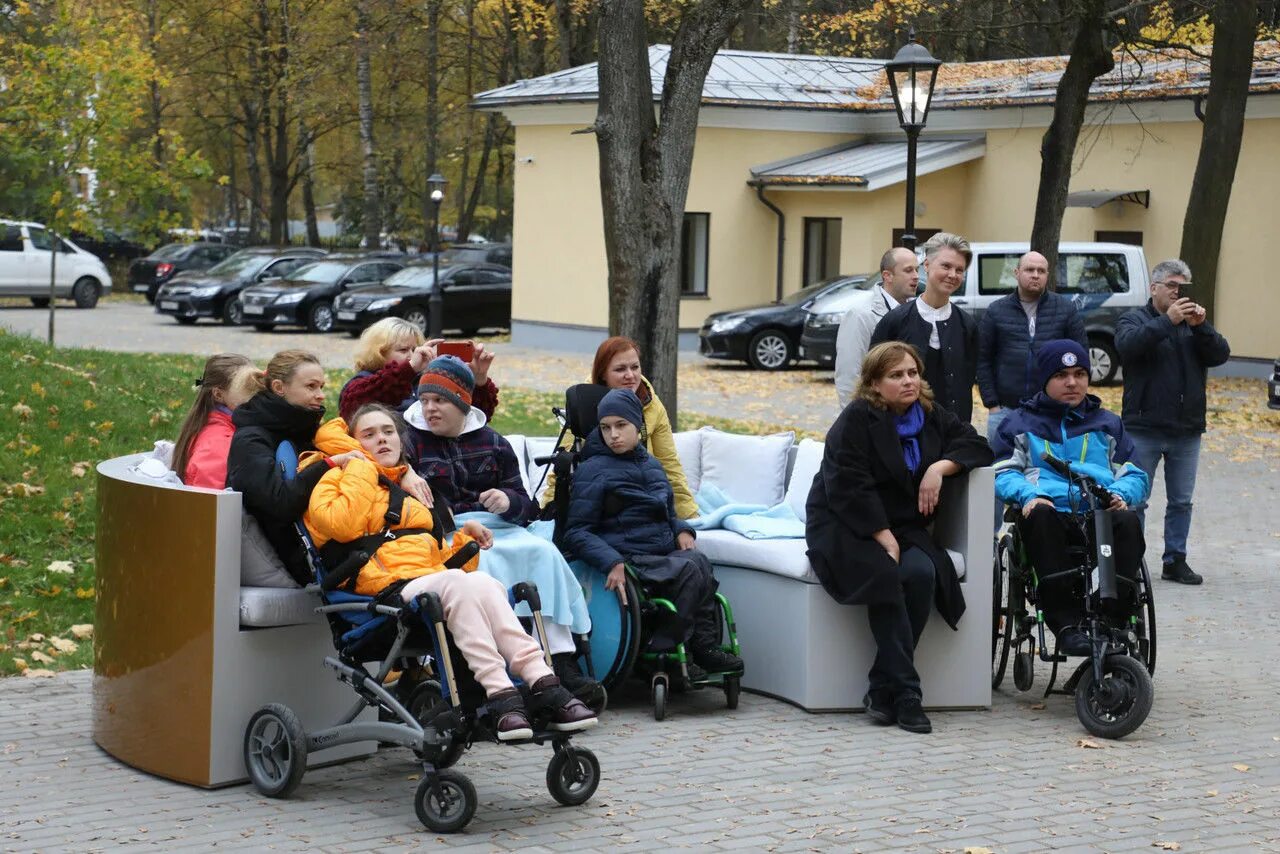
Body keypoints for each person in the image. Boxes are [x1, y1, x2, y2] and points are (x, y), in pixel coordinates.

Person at [304, 404, 596, 740]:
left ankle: (542, 680)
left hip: (425, 583)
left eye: (388, 432)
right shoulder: (332, 480)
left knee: (483, 580)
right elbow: (341, 525)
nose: (382, 439)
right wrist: (359, 466)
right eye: (368, 435)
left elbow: (436, 560)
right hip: (377, 591)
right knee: (459, 582)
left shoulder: (410, 493)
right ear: (352, 443)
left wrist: (463, 541)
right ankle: (501, 694)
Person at [805, 341, 993, 734]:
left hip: (902, 525)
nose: (908, 381)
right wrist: (882, 534)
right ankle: (908, 693)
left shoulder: (929, 414)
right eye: (896, 375)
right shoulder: (857, 418)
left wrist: (939, 468)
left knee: (923, 573)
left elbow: (977, 444)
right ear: (874, 383)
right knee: (886, 576)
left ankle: (880, 685)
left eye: (912, 372)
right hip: (846, 523)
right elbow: (846, 483)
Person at [403, 356, 602, 707]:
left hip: (502, 527)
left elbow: (527, 507)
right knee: (481, 563)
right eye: (425, 400)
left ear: (463, 401)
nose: (429, 409)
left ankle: (560, 659)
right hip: (447, 531)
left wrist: (508, 501)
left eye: (440, 400)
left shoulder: (493, 442)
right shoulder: (411, 444)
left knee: (544, 554)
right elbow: (407, 505)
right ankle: (501, 671)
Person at [562, 388, 744, 679]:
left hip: (657, 553)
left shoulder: (650, 463)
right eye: (606, 428)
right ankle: (668, 649)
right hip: (628, 557)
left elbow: (667, 512)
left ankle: (704, 646)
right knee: (688, 570)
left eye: (621, 426)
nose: (614, 435)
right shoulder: (593, 470)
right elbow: (576, 532)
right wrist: (611, 561)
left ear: (638, 426)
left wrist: (682, 530)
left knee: (698, 561)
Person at [993, 340, 1151, 653]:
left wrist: (1119, 493)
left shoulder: (1107, 424)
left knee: (1127, 520)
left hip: (1097, 511)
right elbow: (1002, 472)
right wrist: (1028, 495)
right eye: (1061, 375)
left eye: (1080, 373)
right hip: (1046, 513)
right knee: (1041, 516)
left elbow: (1135, 473)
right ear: (1044, 379)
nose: (1072, 382)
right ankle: (1065, 623)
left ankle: (1113, 620)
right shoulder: (1018, 424)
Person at [227, 349, 432, 585]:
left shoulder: (307, 429)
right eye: (311, 387)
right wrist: (329, 464)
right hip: (309, 558)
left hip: (351, 539)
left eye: (322, 387)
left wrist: (403, 471)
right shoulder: (250, 440)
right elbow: (279, 503)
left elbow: (371, 448)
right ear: (279, 387)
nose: (321, 395)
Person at [1115, 259, 1230, 585]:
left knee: (1181, 501)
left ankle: (1175, 560)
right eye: (1172, 287)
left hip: (1186, 429)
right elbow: (1128, 346)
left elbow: (1220, 354)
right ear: (1154, 288)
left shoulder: (1192, 325)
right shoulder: (1133, 318)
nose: (1178, 293)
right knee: (1135, 499)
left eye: (1183, 287)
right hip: (1143, 427)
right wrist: (1167, 322)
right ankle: (1130, 562)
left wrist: (1202, 326)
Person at [540, 336, 697, 519]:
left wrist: (691, 518)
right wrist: (549, 512)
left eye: (635, 367)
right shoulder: (581, 406)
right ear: (602, 374)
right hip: (594, 504)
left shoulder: (652, 404)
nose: (630, 376)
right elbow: (563, 466)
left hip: (642, 499)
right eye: (620, 369)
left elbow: (670, 466)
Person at [977, 250, 1087, 443]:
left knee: (1049, 470)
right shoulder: (996, 311)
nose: (1036, 275)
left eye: (1041, 271)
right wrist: (992, 404)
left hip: (1052, 411)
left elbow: (1082, 358)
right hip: (1005, 411)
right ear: (1016, 273)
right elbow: (982, 359)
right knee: (1001, 468)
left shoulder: (1065, 309)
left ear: (1047, 275)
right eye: (1029, 269)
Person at [871, 233, 978, 422]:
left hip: (952, 433)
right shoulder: (894, 321)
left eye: (959, 270)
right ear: (926, 265)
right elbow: (873, 378)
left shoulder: (967, 325)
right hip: (901, 430)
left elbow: (966, 381)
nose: (952, 275)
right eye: (946, 266)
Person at [337, 318, 500, 423]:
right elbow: (351, 406)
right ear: (378, 352)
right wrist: (408, 369)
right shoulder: (364, 382)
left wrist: (479, 380)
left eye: (415, 348)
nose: (413, 355)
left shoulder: (428, 380)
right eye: (403, 350)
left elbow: (478, 417)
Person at [834, 247, 920, 408]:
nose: (916, 276)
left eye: (917, 270)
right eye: (908, 270)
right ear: (887, 276)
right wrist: (857, 420)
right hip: (874, 415)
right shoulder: (860, 315)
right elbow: (849, 375)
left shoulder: (917, 311)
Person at [174, 354, 257, 489]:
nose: (257, 393)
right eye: (247, 387)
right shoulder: (220, 443)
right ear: (218, 394)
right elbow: (213, 504)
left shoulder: (212, 423)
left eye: (257, 383)